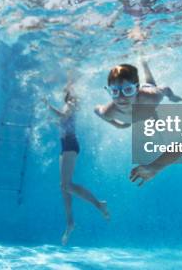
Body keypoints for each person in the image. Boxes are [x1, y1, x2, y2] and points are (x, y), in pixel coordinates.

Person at [45, 84, 109, 246]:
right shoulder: (69, 105)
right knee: (63, 186)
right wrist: (54, 119)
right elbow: (63, 120)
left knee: (66, 185)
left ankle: (98, 204)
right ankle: (69, 223)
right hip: (65, 144)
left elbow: (64, 117)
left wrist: (47, 106)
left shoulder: (71, 104)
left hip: (70, 144)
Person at [94, 59, 182, 128]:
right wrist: (118, 126)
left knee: (151, 84)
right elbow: (96, 110)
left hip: (146, 90)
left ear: (136, 89)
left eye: (128, 90)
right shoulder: (109, 112)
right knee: (148, 112)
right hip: (143, 111)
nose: (121, 97)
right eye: (114, 91)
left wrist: (172, 97)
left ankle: (143, 62)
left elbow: (165, 89)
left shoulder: (152, 97)